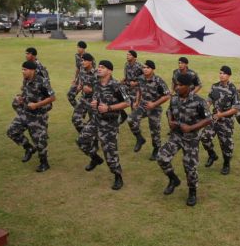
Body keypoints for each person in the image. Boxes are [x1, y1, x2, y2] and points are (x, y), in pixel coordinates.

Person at [158, 73, 212, 206]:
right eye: (176, 84)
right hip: (176, 135)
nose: (176, 87)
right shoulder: (174, 99)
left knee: (190, 167)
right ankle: (173, 179)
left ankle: (192, 191)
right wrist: (170, 120)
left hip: (191, 138)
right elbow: (169, 111)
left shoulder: (199, 101)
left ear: (188, 87)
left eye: (180, 85)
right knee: (161, 157)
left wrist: (191, 127)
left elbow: (208, 119)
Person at [78, 60, 130, 190]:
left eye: (103, 67)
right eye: (99, 67)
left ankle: (118, 176)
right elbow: (95, 96)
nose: (99, 69)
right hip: (96, 120)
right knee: (81, 141)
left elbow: (128, 102)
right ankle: (95, 158)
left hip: (109, 125)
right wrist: (94, 102)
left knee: (110, 154)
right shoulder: (96, 82)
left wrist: (109, 108)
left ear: (110, 71)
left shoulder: (116, 85)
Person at [6, 61, 55, 172]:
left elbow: (52, 98)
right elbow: (25, 92)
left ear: (32, 70)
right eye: (22, 69)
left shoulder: (42, 82)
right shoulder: (26, 80)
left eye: (25, 70)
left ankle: (44, 163)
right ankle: (28, 147)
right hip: (26, 112)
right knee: (11, 131)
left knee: (39, 141)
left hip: (38, 116)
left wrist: (36, 105)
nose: (23, 72)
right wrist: (21, 98)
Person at [201, 66, 240, 175]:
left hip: (226, 122)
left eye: (224, 73)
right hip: (214, 118)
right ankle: (212, 155)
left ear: (229, 75)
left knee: (226, 145)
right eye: (220, 73)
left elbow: (235, 109)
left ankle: (226, 164)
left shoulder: (233, 90)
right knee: (204, 137)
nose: (221, 75)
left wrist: (221, 114)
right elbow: (209, 101)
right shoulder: (215, 86)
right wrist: (205, 110)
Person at [128, 60, 171, 160]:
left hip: (155, 108)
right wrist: (136, 102)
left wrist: (154, 104)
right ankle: (139, 138)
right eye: (144, 67)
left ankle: (156, 148)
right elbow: (139, 90)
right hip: (143, 106)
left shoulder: (158, 81)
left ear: (153, 69)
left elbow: (167, 95)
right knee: (131, 119)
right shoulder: (141, 78)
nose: (145, 69)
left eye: (148, 68)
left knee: (154, 130)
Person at [71, 52, 97, 133]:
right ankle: (84, 135)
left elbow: (102, 89)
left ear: (90, 62)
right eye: (82, 60)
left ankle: (92, 140)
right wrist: (79, 86)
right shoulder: (82, 69)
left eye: (84, 60)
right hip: (83, 99)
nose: (82, 62)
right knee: (75, 119)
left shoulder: (96, 74)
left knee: (94, 122)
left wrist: (91, 90)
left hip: (94, 101)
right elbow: (82, 81)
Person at [67, 41, 88, 107]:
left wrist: (83, 84)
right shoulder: (77, 55)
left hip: (87, 80)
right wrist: (75, 79)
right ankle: (78, 109)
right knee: (70, 95)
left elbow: (92, 72)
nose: (78, 49)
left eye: (79, 47)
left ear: (83, 48)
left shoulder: (89, 57)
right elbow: (78, 68)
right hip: (79, 79)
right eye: (77, 47)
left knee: (86, 100)